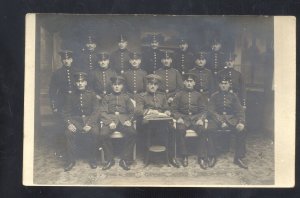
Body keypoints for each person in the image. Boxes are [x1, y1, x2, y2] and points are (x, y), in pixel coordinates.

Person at [136, 74, 180, 168]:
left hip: (161, 122)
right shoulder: (141, 96)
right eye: (150, 84)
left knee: (171, 130)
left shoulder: (162, 95)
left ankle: (171, 157)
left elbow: (166, 108)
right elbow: (138, 111)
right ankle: (148, 156)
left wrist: (167, 111)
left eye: (155, 84)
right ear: (147, 85)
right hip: (147, 122)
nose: (153, 86)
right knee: (148, 131)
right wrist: (148, 111)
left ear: (158, 86)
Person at [171, 73, 215, 169]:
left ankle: (201, 157)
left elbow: (204, 110)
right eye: (187, 81)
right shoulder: (179, 95)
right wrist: (178, 118)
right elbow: (173, 109)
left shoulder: (199, 95)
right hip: (183, 119)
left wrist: (201, 119)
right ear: (184, 82)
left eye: (191, 81)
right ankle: (184, 155)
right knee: (180, 130)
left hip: (195, 119)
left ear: (194, 83)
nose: (189, 83)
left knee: (203, 130)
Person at [62, 72, 100, 171]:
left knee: (95, 132)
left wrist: (89, 124)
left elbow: (96, 111)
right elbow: (65, 112)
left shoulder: (92, 95)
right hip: (76, 121)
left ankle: (93, 159)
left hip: (89, 120)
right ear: (75, 83)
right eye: (78, 82)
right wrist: (69, 123)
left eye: (82, 81)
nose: (80, 84)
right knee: (68, 133)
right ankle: (71, 161)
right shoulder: (70, 96)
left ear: (86, 82)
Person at [207, 76, 247, 169]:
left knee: (243, 130)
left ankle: (238, 158)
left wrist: (241, 122)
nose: (224, 85)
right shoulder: (214, 96)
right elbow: (211, 111)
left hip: (231, 119)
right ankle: (212, 156)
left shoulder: (233, 96)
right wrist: (220, 122)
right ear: (219, 85)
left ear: (229, 85)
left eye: (226, 83)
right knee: (210, 129)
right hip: (217, 119)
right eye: (222, 83)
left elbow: (240, 111)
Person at [99, 76, 136, 171]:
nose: (117, 87)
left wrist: (129, 120)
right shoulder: (106, 97)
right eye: (115, 84)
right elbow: (103, 112)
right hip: (110, 120)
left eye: (119, 85)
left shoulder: (126, 97)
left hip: (123, 121)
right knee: (103, 134)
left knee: (132, 133)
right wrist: (109, 122)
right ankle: (110, 159)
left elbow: (132, 112)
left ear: (122, 86)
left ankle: (124, 159)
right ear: (112, 86)